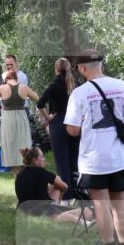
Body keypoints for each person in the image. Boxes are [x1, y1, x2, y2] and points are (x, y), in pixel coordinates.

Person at [65, 49, 124, 245]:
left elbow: (72, 129)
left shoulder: (79, 93)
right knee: (120, 205)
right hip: (118, 156)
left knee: (101, 205)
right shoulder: (121, 86)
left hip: (94, 159)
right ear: (100, 64)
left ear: (82, 68)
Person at [37, 57, 79, 189]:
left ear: (56, 69)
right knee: (75, 160)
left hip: (58, 123)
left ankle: (66, 194)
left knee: (62, 162)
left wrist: (48, 118)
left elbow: (40, 103)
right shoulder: (76, 85)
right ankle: (78, 191)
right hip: (74, 123)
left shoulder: (54, 86)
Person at [15, 146, 85, 223]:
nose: (44, 159)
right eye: (42, 157)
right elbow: (65, 186)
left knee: (53, 186)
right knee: (57, 186)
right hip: (41, 209)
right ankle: (82, 221)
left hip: (23, 209)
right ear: (34, 160)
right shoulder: (42, 172)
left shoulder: (20, 174)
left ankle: (57, 208)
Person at [0, 71, 39, 168]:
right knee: (23, 140)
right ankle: (24, 162)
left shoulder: (3, 88)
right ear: (16, 78)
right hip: (21, 116)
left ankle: (13, 165)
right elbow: (36, 97)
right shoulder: (24, 87)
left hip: (8, 118)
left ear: (6, 79)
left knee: (9, 142)